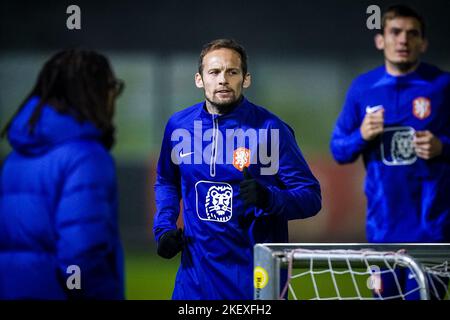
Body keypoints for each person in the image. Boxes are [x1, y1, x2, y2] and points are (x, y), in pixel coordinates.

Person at [153, 38, 322, 300]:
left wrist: (270, 198)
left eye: (232, 72)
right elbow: (167, 180)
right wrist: (163, 227)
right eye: (214, 72)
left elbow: (311, 197)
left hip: (255, 283)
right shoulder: (179, 127)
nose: (223, 79)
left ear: (246, 79)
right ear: (199, 79)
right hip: (194, 284)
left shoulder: (271, 130)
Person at [330, 5, 450, 299]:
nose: (403, 40)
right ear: (380, 40)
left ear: (423, 43)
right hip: (382, 231)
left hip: (433, 230)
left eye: (412, 34)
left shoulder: (443, 86)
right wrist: (362, 135)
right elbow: (338, 150)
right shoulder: (363, 88)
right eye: (395, 32)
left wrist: (443, 146)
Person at [0, 49, 125, 299]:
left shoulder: (16, 158)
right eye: (111, 86)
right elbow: (81, 256)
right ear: (94, 92)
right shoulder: (86, 157)